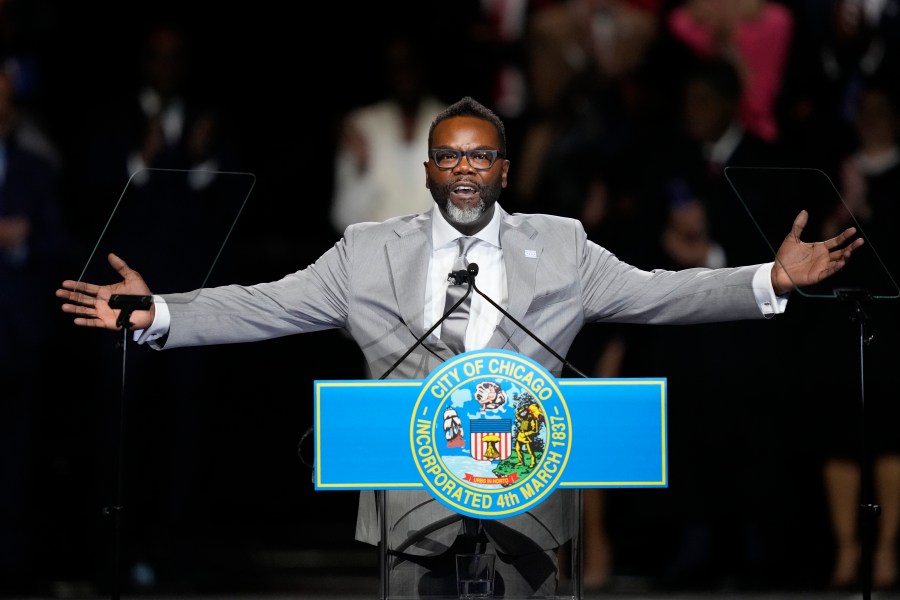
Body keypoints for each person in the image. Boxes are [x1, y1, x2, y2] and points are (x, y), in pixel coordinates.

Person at [56, 96, 863, 598]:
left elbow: (660, 292)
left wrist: (770, 281)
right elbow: (268, 305)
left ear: (504, 169)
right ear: (430, 168)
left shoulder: (565, 246)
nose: (465, 169)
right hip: (411, 507)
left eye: (480, 155)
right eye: (450, 156)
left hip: (530, 506)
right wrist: (158, 311)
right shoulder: (365, 251)